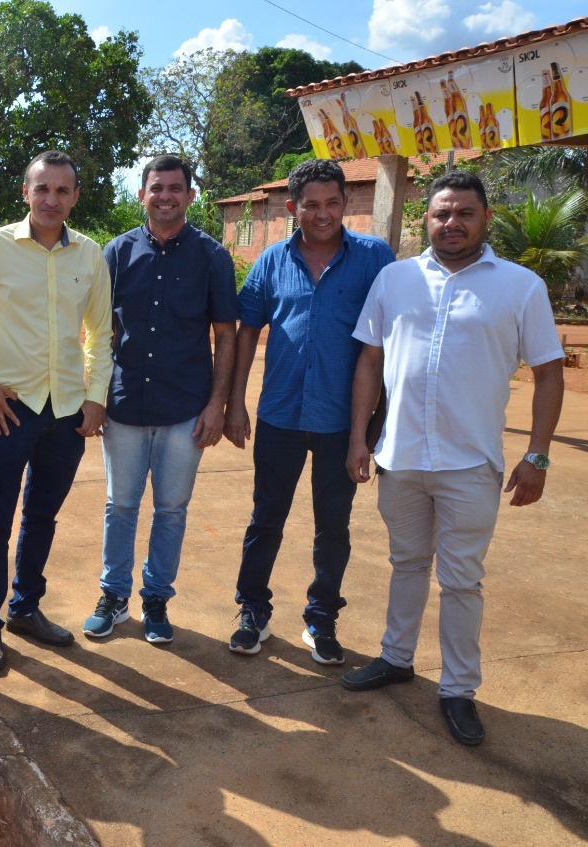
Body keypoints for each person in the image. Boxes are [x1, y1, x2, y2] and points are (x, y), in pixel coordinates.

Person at [341, 170, 564, 746]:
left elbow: (547, 372)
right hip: (402, 457)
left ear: (484, 217)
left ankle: (459, 689)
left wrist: (537, 455)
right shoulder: (395, 279)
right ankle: (396, 658)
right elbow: (369, 361)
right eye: (441, 213)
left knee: (462, 581)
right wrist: (358, 439)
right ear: (427, 220)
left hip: (471, 464)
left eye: (464, 212)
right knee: (407, 564)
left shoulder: (519, 287)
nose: (452, 223)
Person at [224, 159, 395, 664]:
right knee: (265, 520)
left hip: (343, 422)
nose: (321, 214)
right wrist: (236, 403)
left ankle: (322, 620)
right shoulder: (271, 262)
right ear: (292, 206)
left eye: (332, 203)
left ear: (345, 203)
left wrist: (373, 430)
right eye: (310, 205)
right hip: (279, 415)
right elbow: (247, 333)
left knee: (333, 526)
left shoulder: (374, 259)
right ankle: (252, 611)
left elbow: (386, 342)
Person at [0, 150, 112, 671]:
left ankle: (25, 608)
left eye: (63, 191)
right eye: (42, 189)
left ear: (75, 197)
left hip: (66, 411)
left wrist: (95, 396)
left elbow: (102, 334)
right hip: (9, 409)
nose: (51, 199)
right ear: (26, 193)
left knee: (43, 516)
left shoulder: (90, 255)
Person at [82, 155, 237, 643]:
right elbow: (99, 330)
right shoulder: (116, 253)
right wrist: (96, 395)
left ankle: (156, 599)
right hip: (125, 405)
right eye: (156, 188)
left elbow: (225, 334)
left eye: (175, 188)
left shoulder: (211, 256)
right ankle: (113, 596)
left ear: (191, 196)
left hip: (185, 409)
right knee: (120, 505)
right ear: (142, 195)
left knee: (171, 508)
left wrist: (219, 405)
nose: (165, 196)